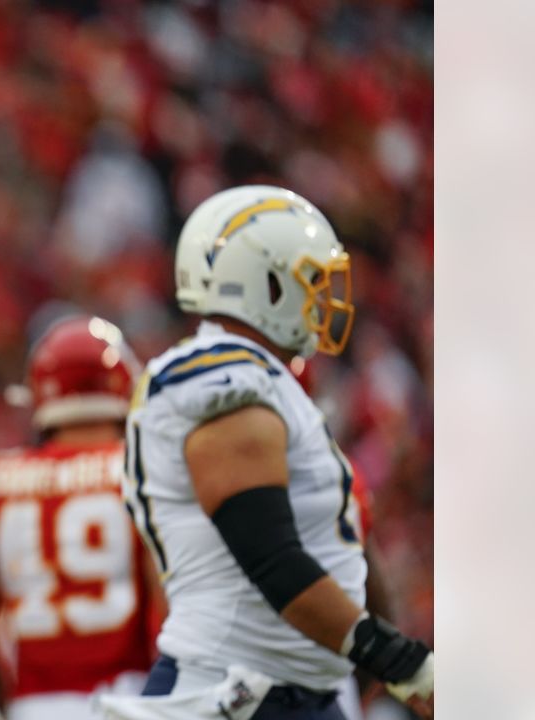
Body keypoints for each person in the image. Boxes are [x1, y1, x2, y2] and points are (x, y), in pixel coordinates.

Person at [109, 185, 433, 719]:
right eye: (312, 279)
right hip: (234, 693)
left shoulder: (263, 380)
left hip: (282, 688)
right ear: (264, 283)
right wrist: (401, 660)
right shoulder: (228, 383)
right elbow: (272, 559)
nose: (327, 298)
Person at [0, 315, 162, 720]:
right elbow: (167, 609)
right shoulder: (144, 469)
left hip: (34, 705)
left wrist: (9, 700)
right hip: (131, 695)